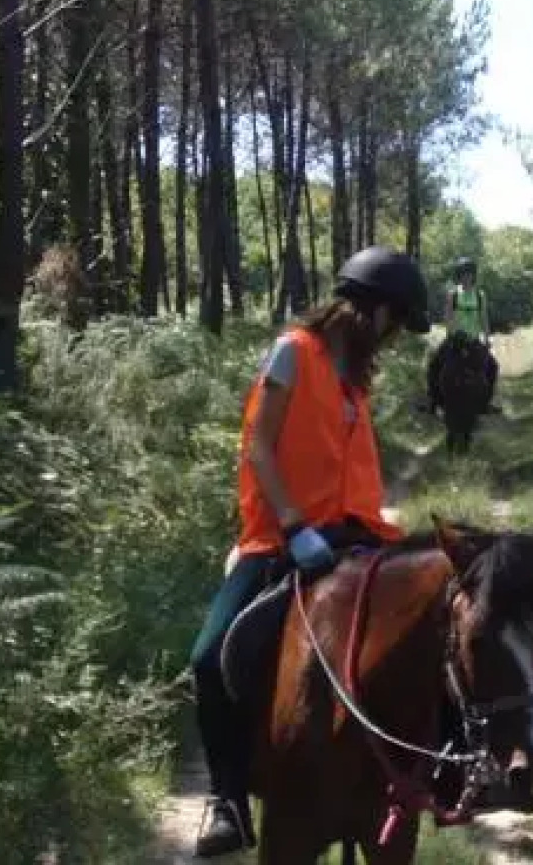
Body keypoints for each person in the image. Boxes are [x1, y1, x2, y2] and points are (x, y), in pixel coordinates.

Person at [188, 246, 431, 857]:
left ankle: (441, 774)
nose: (394, 338)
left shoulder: (356, 382)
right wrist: (295, 525)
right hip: (282, 539)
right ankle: (229, 801)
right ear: (373, 312)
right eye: (396, 322)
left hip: (358, 534)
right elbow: (261, 448)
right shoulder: (293, 352)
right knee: (208, 657)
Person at [427, 257, 500, 415]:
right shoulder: (453, 294)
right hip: (456, 339)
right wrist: (452, 334)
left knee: (493, 367)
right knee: (433, 365)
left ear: (473, 276)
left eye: (469, 274)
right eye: (463, 274)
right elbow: (448, 317)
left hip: (473, 339)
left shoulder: (480, 295)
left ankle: (485, 404)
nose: (467, 277)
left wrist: (487, 338)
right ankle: (434, 402)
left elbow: (484, 318)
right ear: (459, 276)